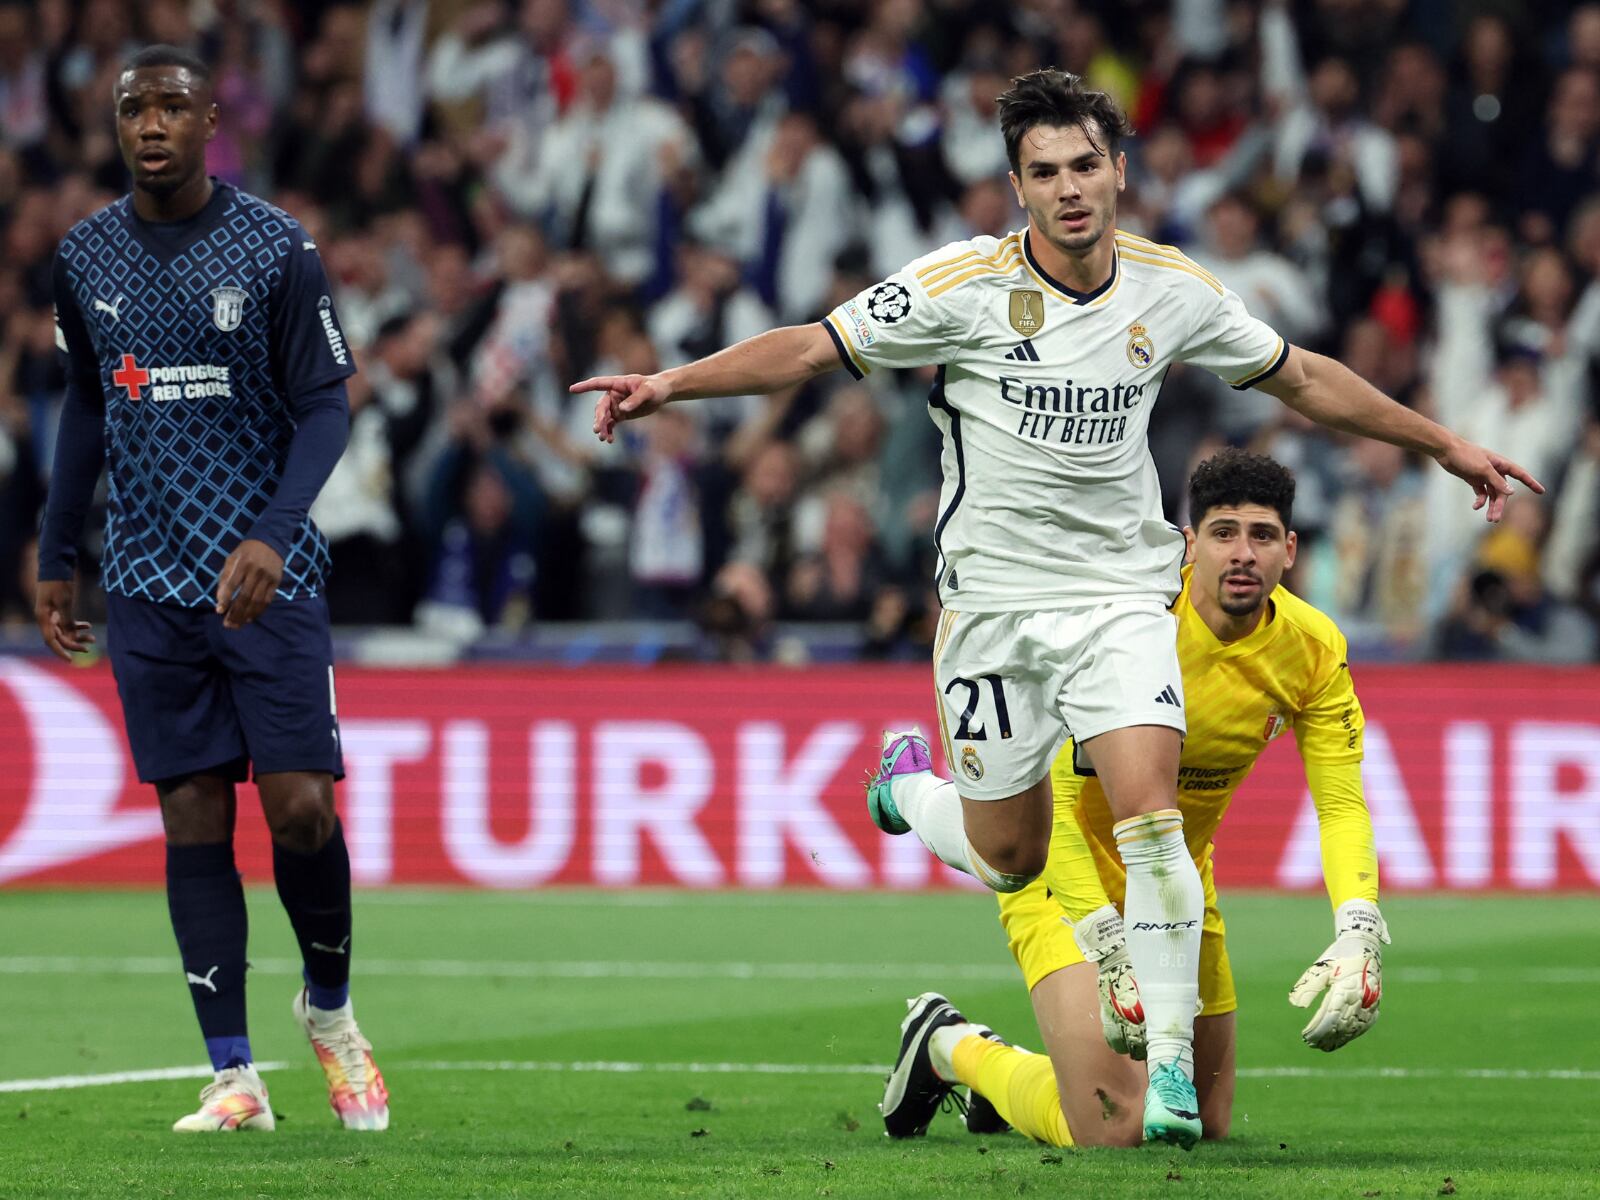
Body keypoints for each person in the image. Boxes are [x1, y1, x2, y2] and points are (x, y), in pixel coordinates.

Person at [571, 69, 1536, 1146]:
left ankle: (1164, 1064)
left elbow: (1302, 377)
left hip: (1122, 595)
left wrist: (1443, 443)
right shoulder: (957, 287)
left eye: (1086, 165)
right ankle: (910, 790)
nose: (1070, 188)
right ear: (1017, 187)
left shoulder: (1170, 289)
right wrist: (668, 383)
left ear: (1118, 169)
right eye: (1045, 173)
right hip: (990, 608)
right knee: (1010, 853)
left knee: (1149, 808)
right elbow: (808, 348)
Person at [33, 46, 388, 1133]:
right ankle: (234, 1074)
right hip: (146, 580)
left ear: (209, 122)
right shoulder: (83, 254)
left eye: (172, 107)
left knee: (301, 815)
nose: (150, 124)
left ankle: (330, 1016)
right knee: (192, 819)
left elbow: (328, 405)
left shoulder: (275, 246)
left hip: (264, 581)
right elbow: (87, 408)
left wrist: (274, 535)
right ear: (114, 123)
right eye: (133, 106)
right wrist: (57, 552)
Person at [880, 450, 1386, 1149]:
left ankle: (911, 794)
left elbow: (1340, 806)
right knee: (1114, 1125)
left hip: (1174, 882)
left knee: (1203, 1124)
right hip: (1067, 873)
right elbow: (1052, 794)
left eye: (1263, 535)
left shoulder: (1312, 649)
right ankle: (950, 1046)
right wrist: (1103, 938)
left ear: (1291, 549)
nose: (1243, 554)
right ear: (1189, 542)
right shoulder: (1127, 625)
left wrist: (1359, 927)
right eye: (1224, 533)